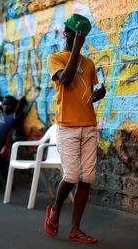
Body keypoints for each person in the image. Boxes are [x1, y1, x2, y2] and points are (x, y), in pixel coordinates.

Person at [44, 14, 106, 244]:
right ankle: (55, 210)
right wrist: (75, 51)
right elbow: (67, 80)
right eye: (76, 34)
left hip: (88, 125)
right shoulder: (55, 58)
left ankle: (75, 229)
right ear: (66, 34)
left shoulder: (89, 63)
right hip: (67, 127)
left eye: (83, 36)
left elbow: (90, 92)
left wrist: (100, 94)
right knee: (71, 175)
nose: (79, 38)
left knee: (87, 177)